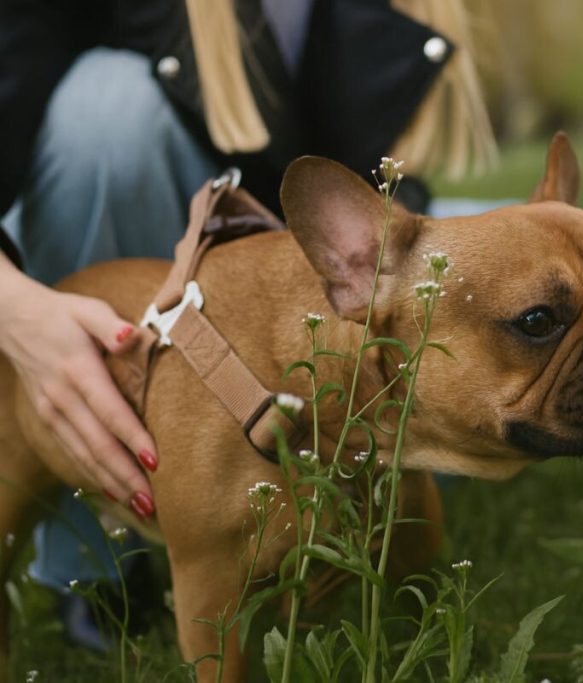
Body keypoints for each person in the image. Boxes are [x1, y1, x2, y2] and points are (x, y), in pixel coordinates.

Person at [0, 0, 497, 648]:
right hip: (91, 258)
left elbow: (382, 200)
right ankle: (97, 562)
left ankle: (330, 502)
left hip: (293, 277)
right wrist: (19, 312)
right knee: (108, 117)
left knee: (539, 269)